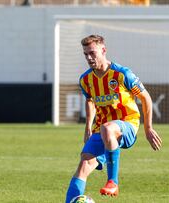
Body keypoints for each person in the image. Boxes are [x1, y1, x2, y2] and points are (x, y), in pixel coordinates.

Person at [65, 35, 162, 203]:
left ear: (103, 50)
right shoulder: (86, 80)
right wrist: (88, 126)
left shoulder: (122, 74)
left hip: (127, 125)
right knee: (83, 166)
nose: (89, 58)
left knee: (108, 128)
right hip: (101, 128)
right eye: (85, 54)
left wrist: (148, 129)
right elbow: (89, 100)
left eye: (92, 53)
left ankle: (113, 182)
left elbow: (145, 98)